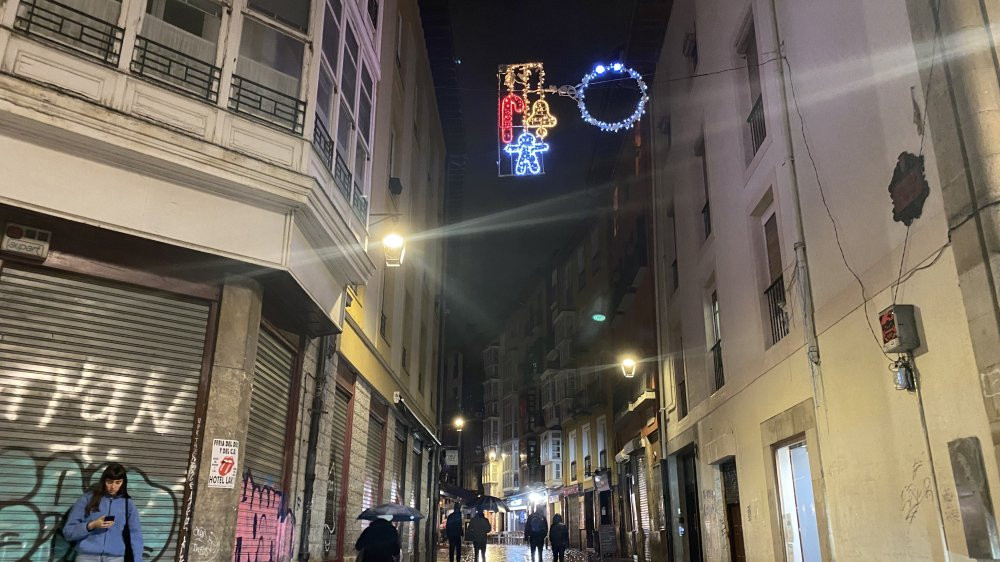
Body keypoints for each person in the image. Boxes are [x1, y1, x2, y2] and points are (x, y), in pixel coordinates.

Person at [62, 463, 144, 562]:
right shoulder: (87, 499)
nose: (113, 487)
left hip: (115, 558)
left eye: (118, 482)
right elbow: (68, 532)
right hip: (87, 557)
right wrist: (92, 525)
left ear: (123, 482)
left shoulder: (128, 504)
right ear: (104, 480)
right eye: (109, 482)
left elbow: (135, 536)